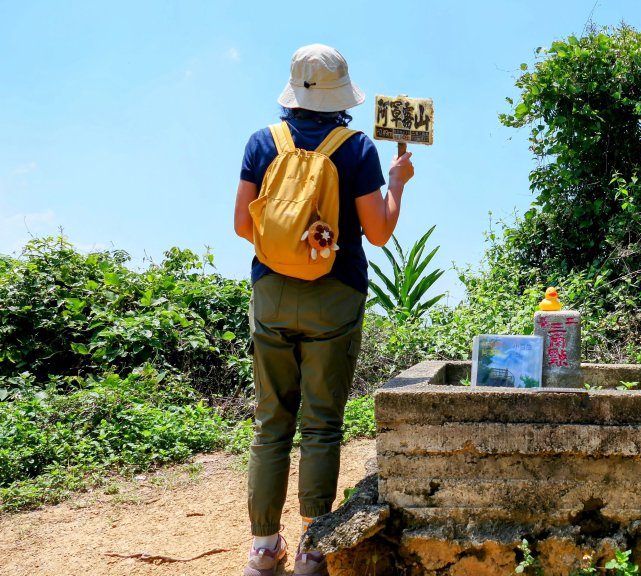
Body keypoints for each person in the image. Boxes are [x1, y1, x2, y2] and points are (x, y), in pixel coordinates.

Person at [232, 43, 413, 576]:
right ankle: (313, 548)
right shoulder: (355, 148)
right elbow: (378, 233)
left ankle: (264, 549)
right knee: (321, 424)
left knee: (270, 423)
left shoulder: (263, 141)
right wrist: (397, 186)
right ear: (340, 93)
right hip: (334, 296)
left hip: (270, 293)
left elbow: (244, 225)